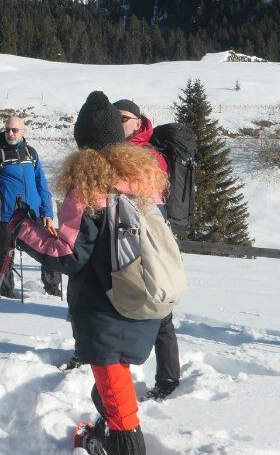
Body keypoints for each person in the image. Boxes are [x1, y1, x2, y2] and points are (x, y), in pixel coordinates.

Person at [14, 91, 168, 455]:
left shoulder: (88, 188)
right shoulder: (141, 179)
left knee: (119, 404)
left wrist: (21, 227)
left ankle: (121, 445)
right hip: (141, 300)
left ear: (82, 143)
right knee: (112, 389)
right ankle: (105, 436)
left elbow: (66, 255)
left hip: (103, 309)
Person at [115, 99, 177, 401]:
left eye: (123, 118)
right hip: (122, 236)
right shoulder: (115, 150)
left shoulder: (150, 155)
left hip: (149, 237)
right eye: (113, 118)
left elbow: (148, 193)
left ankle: (168, 377)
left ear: (138, 122)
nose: (118, 122)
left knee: (159, 306)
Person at [0, 115, 57, 298]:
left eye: (14, 130)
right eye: (7, 129)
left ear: (23, 131)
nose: (10, 133)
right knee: (5, 256)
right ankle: (5, 292)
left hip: (33, 213)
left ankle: (52, 290)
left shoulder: (30, 153)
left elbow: (41, 183)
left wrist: (47, 211)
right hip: (6, 215)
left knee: (49, 250)